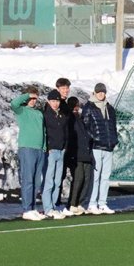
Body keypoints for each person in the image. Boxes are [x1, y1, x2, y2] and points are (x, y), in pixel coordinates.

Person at [83, 82, 119, 214]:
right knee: (96, 176)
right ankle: (92, 203)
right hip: (96, 147)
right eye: (99, 92)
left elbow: (113, 126)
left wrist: (114, 139)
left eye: (103, 92)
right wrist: (94, 139)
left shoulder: (110, 108)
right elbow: (85, 127)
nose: (101, 94)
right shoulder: (89, 107)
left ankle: (102, 203)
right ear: (95, 92)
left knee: (106, 176)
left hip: (108, 147)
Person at [11, 86, 46, 221]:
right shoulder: (21, 111)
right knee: (28, 179)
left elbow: (43, 132)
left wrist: (44, 147)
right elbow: (14, 103)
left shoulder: (39, 113)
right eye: (30, 98)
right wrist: (27, 95)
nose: (32, 101)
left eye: (35, 98)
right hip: (27, 148)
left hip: (39, 150)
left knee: (37, 181)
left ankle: (32, 208)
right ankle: (26, 209)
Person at [40, 89, 69, 219]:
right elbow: (43, 133)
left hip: (61, 151)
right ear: (48, 101)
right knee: (49, 180)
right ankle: (47, 208)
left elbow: (66, 132)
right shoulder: (45, 115)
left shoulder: (62, 115)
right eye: (53, 101)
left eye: (57, 101)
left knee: (57, 181)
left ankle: (53, 205)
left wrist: (65, 147)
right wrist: (47, 147)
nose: (55, 103)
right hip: (51, 151)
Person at [65, 96, 94, 215]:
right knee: (78, 179)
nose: (76, 108)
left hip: (85, 153)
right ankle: (72, 203)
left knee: (86, 179)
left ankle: (81, 203)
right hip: (76, 154)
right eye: (74, 106)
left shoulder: (81, 119)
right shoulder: (70, 119)